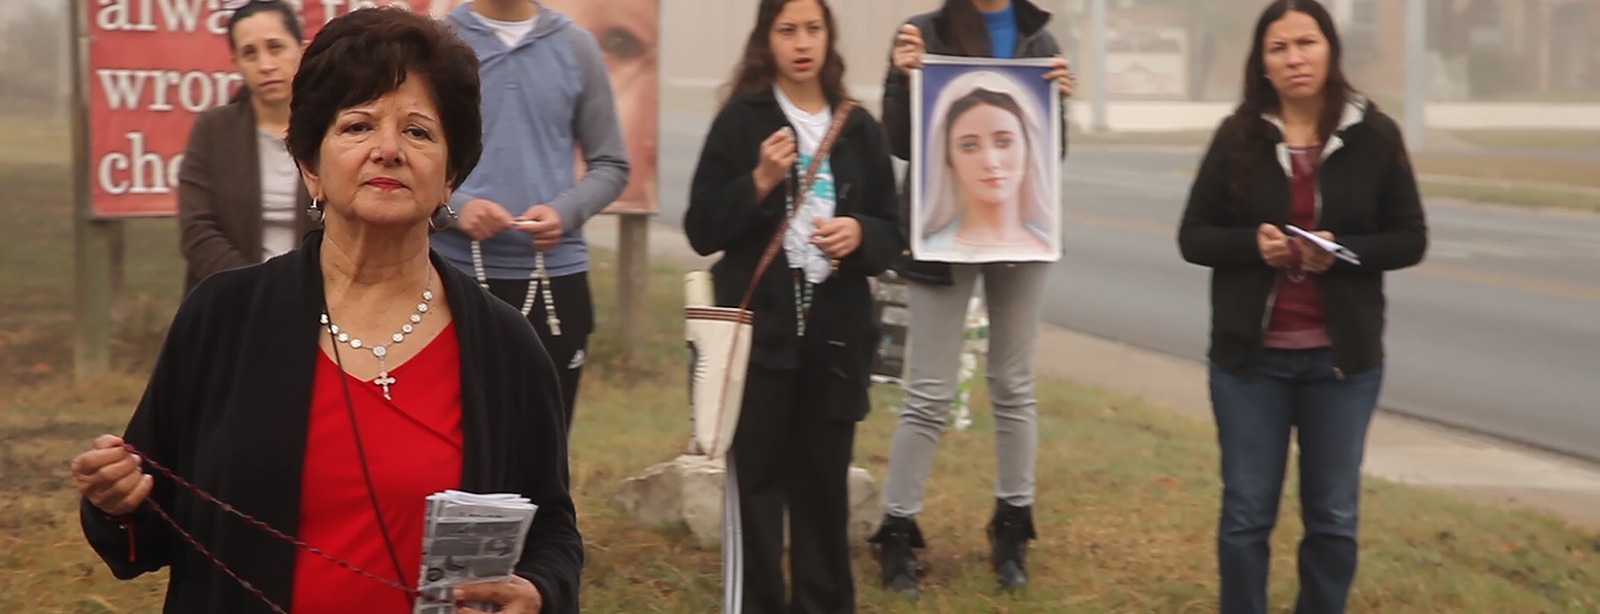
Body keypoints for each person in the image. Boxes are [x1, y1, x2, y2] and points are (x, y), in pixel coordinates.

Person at [71, 8, 583, 613]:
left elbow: (552, 533)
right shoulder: (225, 317)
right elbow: (146, 529)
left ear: (450, 177)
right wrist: (115, 500)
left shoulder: (504, 346)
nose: (387, 150)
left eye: (418, 132)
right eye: (358, 126)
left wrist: (538, 593)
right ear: (311, 165)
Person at [1176, 1, 1427, 612]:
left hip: (1342, 364)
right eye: (1279, 48)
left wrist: (1344, 251)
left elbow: (1410, 238)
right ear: (1261, 62)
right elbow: (1194, 236)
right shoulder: (1239, 135)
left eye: (1306, 44)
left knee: (1334, 517)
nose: (1294, 59)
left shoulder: (1374, 135)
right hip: (1249, 364)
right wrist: (1251, 245)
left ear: (1330, 50)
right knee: (1245, 513)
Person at [684, 0, 899, 610]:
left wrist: (860, 233)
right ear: (766, 41)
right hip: (759, 340)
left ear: (829, 38)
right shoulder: (742, 120)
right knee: (755, 488)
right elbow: (702, 228)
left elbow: (893, 228)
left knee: (824, 490)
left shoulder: (859, 127)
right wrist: (756, 180)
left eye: (813, 29)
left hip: (836, 341)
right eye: (787, 30)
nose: (801, 42)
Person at [869, 0, 1074, 595]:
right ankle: (899, 529)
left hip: (1023, 235)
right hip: (942, 235)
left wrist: (1059, 100)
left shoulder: (1040, 39)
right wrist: (897, 76)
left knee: (1013, 383)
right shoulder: (924, 32)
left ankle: (1013, 524)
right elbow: (903, 142)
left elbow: (1049, 153)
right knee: (927, 390)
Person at [434, 0, 632, 432]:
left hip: (555, 282)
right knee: (455, 445)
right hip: (451, 276)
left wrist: (565, 212)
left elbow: (612, 163)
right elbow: (408, 153)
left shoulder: (576, 46)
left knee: (544, 447)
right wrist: (456, 208)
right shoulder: (437, 43)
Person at [177, 0, 315, 294]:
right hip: (232, 302)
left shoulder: (329, 130)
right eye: (249, 53)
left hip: (317, 301)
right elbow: (197, 230)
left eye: (275, 47)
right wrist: (256, 288)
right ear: (236, 63)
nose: (265, 65)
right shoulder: (214, 130)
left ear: (301, 50)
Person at [918, 69, 1056, 262]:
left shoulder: (1045, 245)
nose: (990, 162)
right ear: (948, 157)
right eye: (969, 146)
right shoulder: (932, 248)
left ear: (1028, 148)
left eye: (1004, 143)